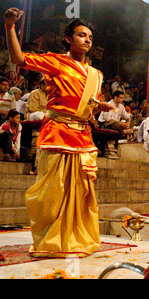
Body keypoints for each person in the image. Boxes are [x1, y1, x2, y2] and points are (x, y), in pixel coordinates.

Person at [4, 8, 113, 258]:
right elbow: (18, 58)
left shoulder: (95, 74)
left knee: (81, 193)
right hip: (57, 132)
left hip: (82, 136)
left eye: (90, 37)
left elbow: (88, 103)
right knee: (52, 192)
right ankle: (52, 241)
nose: (87, 40)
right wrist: (10, 26)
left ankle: (77, 240)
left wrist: (100, 105)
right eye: (82, 35)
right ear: (68, 39)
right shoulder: (55, 61)